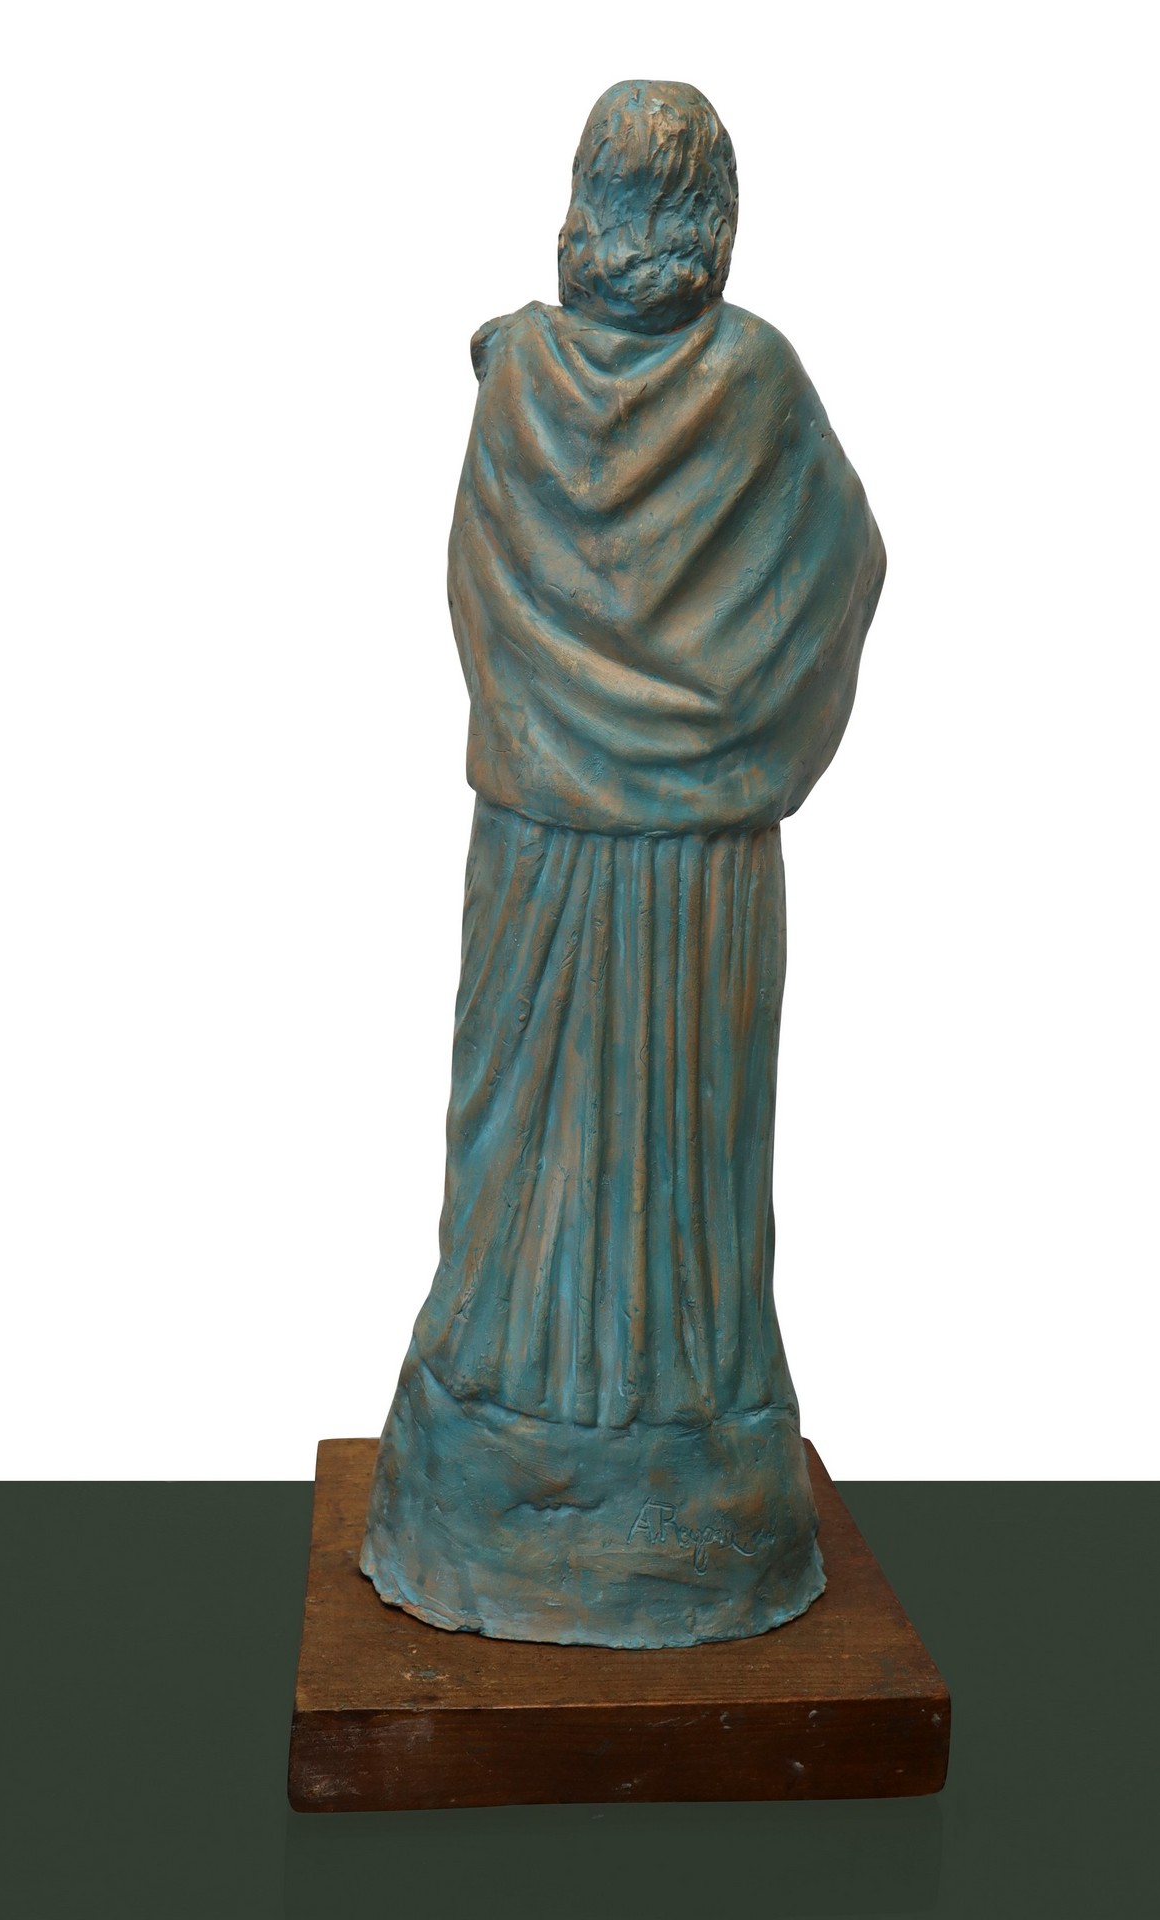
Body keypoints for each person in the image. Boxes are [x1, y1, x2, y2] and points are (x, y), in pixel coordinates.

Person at [359, 78, 886, 1647]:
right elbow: (846, 570)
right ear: (716, 217)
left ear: (583, 205)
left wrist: (577, 725)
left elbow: (478, 602)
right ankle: (665, 1482)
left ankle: (517, 1453)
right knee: (678, 1176)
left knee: (527, 1156)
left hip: (546, 843)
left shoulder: (518, 381)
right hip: (692, 860)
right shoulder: (751, 384)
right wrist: (726, 734)